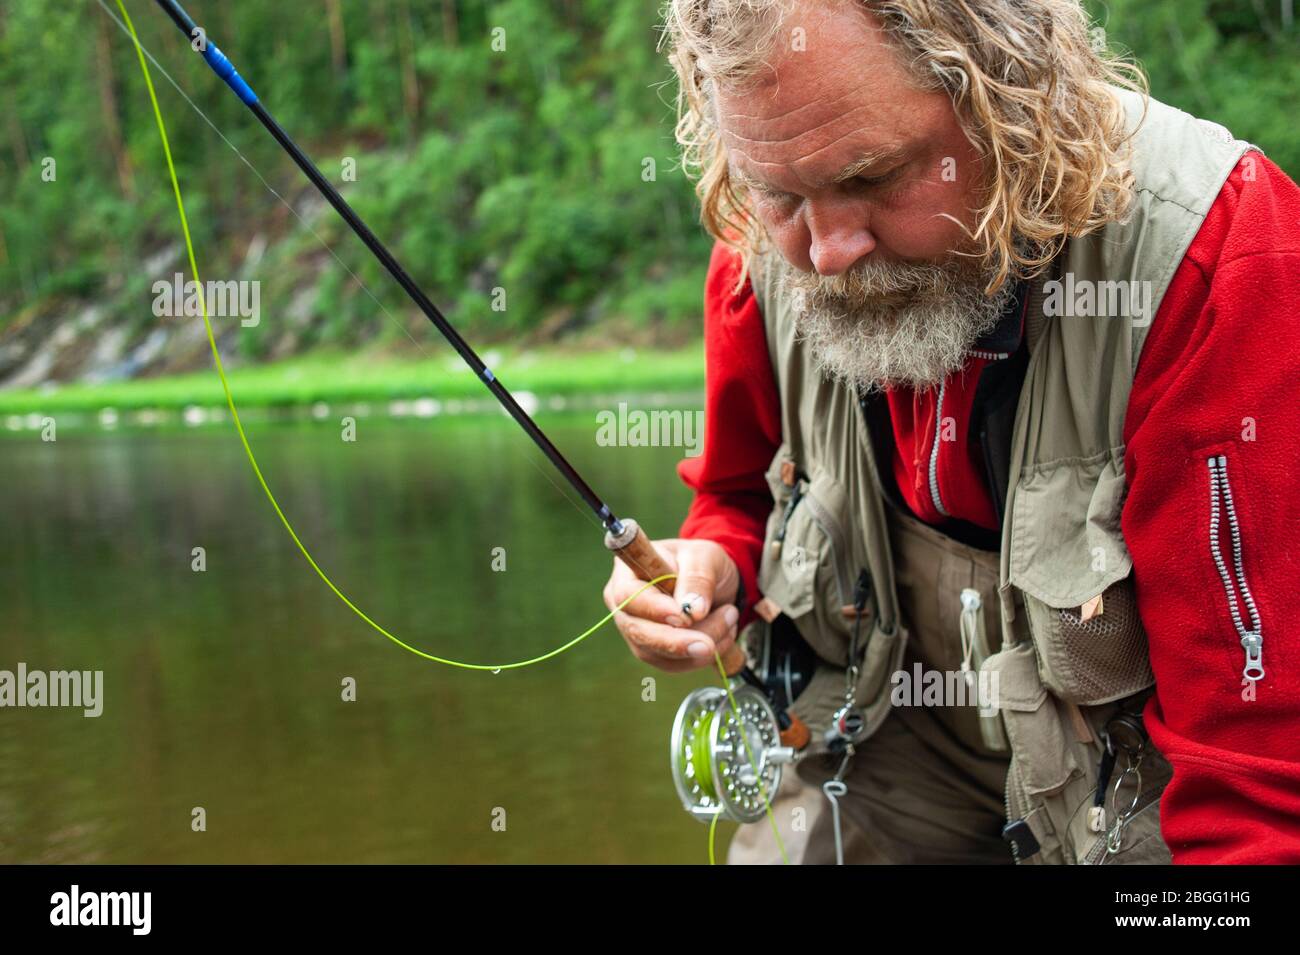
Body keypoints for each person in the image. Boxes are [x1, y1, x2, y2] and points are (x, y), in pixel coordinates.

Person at [603, 0, 1300, 864]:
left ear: (1012, 103)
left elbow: (1257, 789)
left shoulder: (1218, 261)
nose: (823, 252)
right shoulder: (767, 228)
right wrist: (715, 566)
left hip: (1128, 805)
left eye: (871, 177)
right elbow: (734, 495)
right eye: (780, 192)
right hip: (880, 760)